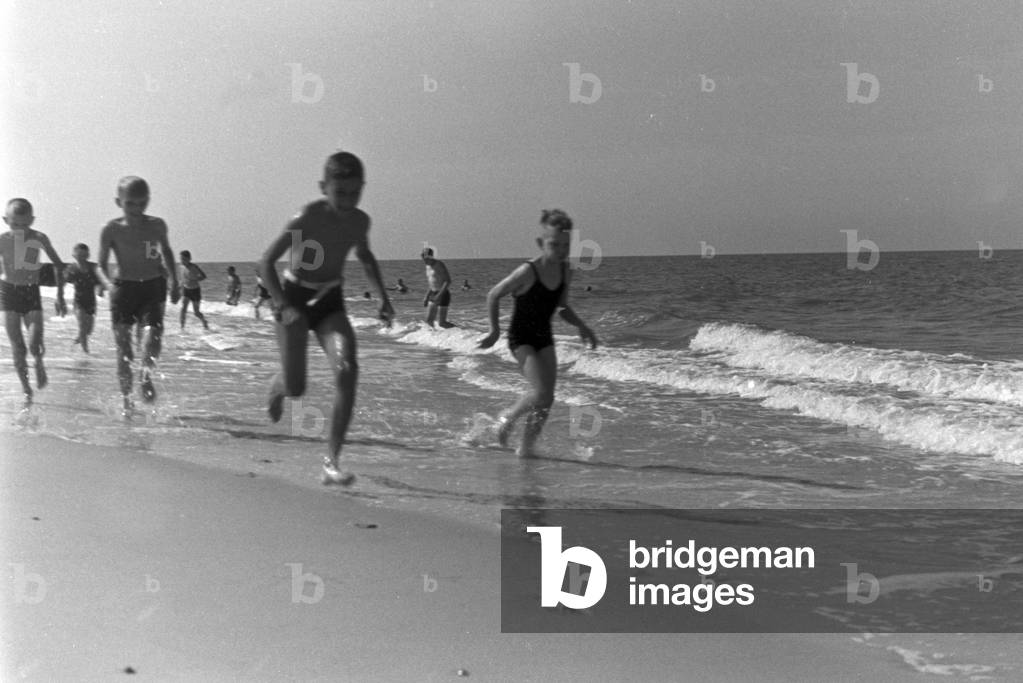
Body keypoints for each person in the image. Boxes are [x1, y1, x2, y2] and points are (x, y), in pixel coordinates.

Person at [259, 150, 394, 485]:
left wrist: (382, 297)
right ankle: (277, 387)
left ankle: (331, 461)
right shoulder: (305, 219)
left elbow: (364, 257)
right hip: (294, 296)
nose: (347, 200)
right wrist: (281, 305)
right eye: (340, 193)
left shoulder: (360, 222)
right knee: (296, 388)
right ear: (324, 187)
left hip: (329, 299)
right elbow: (265, 263)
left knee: (348, 369)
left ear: (362, 187)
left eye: (354, 192)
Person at [477, 209, 598, 457]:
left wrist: (582, 326)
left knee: (547, 398)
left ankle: (526, 448)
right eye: (554, 244)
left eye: (566, 245)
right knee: (540, 392)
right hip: (520, 339)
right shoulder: (528, 271)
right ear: (541, 243)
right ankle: (507, 417)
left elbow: (562, 307)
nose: (561, 250)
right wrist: (494, 331)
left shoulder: (566, 271)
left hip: (544, 338)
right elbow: (493, 294)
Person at [98, 176, 180, 414]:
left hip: (153, 287)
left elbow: (166, 251)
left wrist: (175, 282)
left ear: (148, 201)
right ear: (119, 202)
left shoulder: (157, 225)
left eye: (142, 203)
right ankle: (126, 401)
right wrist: (107, 284)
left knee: (153, 335)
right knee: (124, 350)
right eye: (130, 203)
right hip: (124, 289)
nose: (137, 209)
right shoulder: (111, 229)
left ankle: (145, 375)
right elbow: (100, 264)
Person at [0, 198, 67, 407]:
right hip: (9, 293)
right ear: (5, 220)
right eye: (14, 224)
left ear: (32, 220)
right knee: (18, 347)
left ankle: (38, 361)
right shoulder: (2, 240)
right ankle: (26, 389)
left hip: (31, 293)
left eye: (24, 224)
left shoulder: (39, 238)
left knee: (34, 343)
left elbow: (58, 265)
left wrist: (60, 296)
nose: (20, 229)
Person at [62, 242, 106, 353]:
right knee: (82, 326)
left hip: (91, 302)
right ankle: (86, 352)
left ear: (88, 255)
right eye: (79, 255)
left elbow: (101, 279)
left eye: (84, 255)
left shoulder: (93, 267)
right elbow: (63, 281)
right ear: (74, 255)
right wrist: (60, 296)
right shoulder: (71, 268)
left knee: (88, 331)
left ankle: (75, 343)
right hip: (78, 302)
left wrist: (101, 288)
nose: (82, 258)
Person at [421, 246, 454, 328]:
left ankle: (463, 334)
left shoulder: (439, 264)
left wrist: (439, 296)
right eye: (423, 257)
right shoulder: (427, 266)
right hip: (433, 293)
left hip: (443, 294)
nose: (424, 259)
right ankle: (433, 338)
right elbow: (432, 283)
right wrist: (426, 296)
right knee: (429, 321)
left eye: (425, 257)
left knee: (442, 323)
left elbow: (448, 281)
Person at [178, 250, 209, 330]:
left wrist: (195, 279)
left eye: (184, 259)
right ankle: (182, 327)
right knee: (183, 309)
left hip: (195, 290)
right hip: (186, 290)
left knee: (196, 312)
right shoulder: (181, 267)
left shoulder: (194, 267)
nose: (182, 261)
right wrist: (179, 286)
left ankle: (204, 322)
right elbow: (182, 279)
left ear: (189, 259)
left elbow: (203, 276)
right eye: (181, 259)